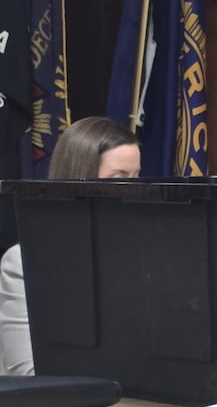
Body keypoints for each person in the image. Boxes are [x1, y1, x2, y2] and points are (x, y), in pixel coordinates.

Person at [0, 117, 140, 375]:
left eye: (136, 176)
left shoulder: (141, 256)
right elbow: (27, 371)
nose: (133, 189)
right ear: (80, 177)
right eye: (119, 178)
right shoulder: (23, 261)